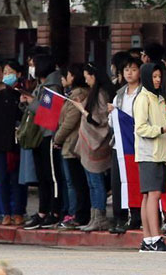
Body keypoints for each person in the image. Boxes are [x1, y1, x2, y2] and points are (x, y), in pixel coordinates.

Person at [134, 63, 166, 253]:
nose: (158, 80)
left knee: (148, 195)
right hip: (149, 153)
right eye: (154, 76)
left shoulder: (158, 98)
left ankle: (148, 238)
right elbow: (141, 127)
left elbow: (164, 120)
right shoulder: (143, 98)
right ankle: (154, 237)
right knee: (153, 195)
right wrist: (164, 129)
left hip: (159, 153)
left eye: (159, 76)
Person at [23, 54, 65, 230]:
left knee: (52, 176)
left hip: (48, 136)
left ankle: (54, 212)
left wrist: (32, 102)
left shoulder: (52, 86)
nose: (31, 68)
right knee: (42, 177)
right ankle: (42, 211)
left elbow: (48, 114)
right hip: (39, 136)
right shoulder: (41, 85)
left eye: (34, 65)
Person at [0, 59, 26, 226]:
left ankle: (18, 212)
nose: (6, 75)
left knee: (16, 180)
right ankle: (6, 212)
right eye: (5, 72)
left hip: (16, 145)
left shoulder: (22, 96)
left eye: (10, 72)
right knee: (1, 179)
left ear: (18, 74)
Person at [74, 63, 114, 232]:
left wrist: (81, 110)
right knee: (91, 183)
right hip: (90, 145)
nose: (85, 80)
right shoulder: (94, 93)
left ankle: (100, 217)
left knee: (96, 183)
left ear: (94, 76)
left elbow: (100, 120)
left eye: (87, 76)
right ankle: (94, 217)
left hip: (97, 145)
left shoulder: (101, 94)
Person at [108, 57, 143, 234]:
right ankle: (119, 218)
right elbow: (112, 122)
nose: (129, 73)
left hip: (138, 143)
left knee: (136, 180)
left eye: (134, 69)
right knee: (118, 182)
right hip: (120, 145)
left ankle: (136, 216)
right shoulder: (119, 94)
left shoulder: (144, 93)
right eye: (126, 70)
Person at [53, 64, 90, 229]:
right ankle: (72, 212)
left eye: (65, 74)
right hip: (68, 144)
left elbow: (70, 121)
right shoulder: (72, 93)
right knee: (71, 181)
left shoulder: (78, 95)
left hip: (73, 144)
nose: (63, 78)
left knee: (75, 182)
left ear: (73, 76)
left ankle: (76, 214)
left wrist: (57, 138)